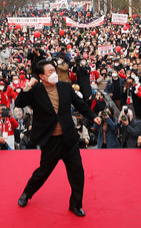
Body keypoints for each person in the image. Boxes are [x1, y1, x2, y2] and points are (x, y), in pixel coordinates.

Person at [15, 60, 101, 217]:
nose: (53, 73)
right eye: (49, 71)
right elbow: (19, 102)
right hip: (50, 141)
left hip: (68, 139)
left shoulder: (65, 86)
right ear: (41, 76)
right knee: (43, 172)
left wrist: (93, 116)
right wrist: (28, 85)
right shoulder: (35, 91)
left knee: (77, 174)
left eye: (53, 69)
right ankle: (27, 193)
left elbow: (80, 104)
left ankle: (75, 205)